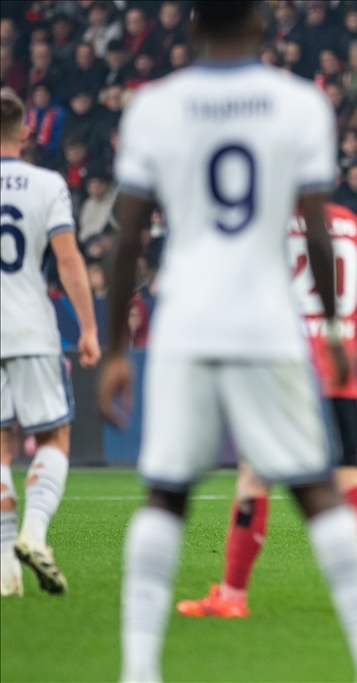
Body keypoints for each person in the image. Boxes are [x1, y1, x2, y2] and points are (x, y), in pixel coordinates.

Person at [95, 4, 357, 681]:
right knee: (317, 487)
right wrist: (331, 328)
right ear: (261, 28)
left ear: (193, 27)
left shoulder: (155, 106)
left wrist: (116, 349)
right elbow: (316, 232)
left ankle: (139, 670)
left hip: (185, 321)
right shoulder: (298, 104)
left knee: (166, 492)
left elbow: (128, 238)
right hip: (267, 320)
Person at [177, 201, 357, 618]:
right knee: (349, 477)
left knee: (253, 476)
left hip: (279, 369)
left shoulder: (268, 220)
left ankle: (231, 595)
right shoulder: (351, 223)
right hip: (337, 372)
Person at [0, 91, 101, 598]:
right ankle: (34, 534)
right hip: (28, 328)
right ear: (25, 133)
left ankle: (4, 571)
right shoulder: (47, 184)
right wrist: (88, 327)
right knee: (55, 438)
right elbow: (67, 260)